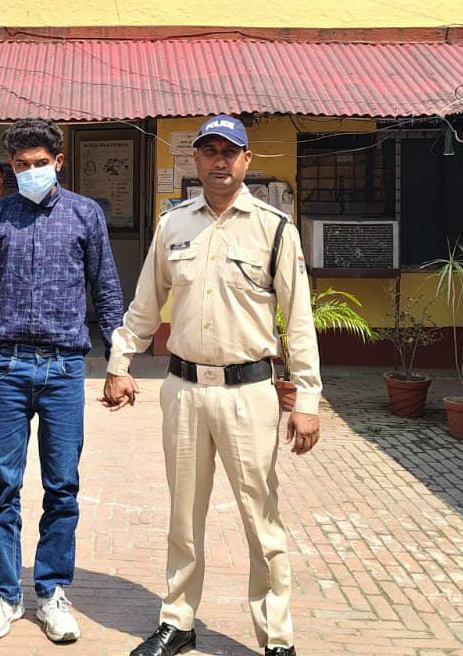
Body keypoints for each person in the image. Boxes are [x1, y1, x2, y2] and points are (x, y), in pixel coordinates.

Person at [102, 115, 321, 656]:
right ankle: (178, 620)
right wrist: (120, 361)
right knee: (184, 515)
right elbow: (146, 304)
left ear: (246, 160)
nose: (219, 161)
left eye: (229, 151)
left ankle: (276, 637)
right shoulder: (173, 226)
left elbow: (299, 321)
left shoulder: (274, 228)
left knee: (260, 519)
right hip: (184, 390)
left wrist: (307, 399)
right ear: (196, 160)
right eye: (209, 151)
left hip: (249, 394)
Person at [0, 118, 124, 644]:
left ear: (58, 162)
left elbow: (106, 289)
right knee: (4, 487)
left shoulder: (85, 215)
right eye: (21, 165)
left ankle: (52, 591)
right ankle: (6, 594)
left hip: (64, 369)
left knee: (62, 487)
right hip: (8, 368)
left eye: (39, 163)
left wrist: (118, 362)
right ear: (11, 166)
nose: (30, 171)